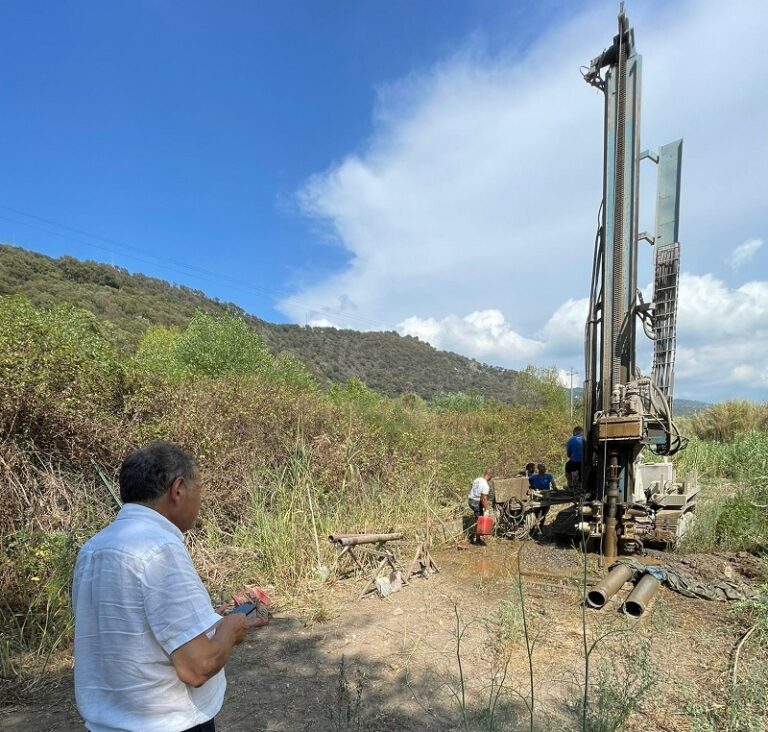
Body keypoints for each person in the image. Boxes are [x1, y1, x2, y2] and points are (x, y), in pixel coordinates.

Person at [72, 442, 264, 732]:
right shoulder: (160, 549)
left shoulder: (92, 549)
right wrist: (230, 628)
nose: (200, 501)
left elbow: (131, 625)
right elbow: (197, 666)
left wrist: (204, 618)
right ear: (178, 489)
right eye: (198, 488)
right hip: (169, 723)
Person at [467, 468, 494, 545]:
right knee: (479, 520)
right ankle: (477, 539)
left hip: (470, 499)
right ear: (490, 475)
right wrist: (487, 509)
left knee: (478, 518)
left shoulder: (477, 479)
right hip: (476, 502)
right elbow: (484, 498)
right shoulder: (485, 485)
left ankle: (476, 536)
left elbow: (472, 488)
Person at [528, 463, 557, 528]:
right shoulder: (533, 477)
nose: (543, 469)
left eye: (544, 468)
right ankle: (534, 527)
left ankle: (540, 528)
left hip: (546, 497)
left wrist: (555, 489)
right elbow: (528, 483)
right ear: (538, 469)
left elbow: (554, 485)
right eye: (541, 468)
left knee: (543, 514)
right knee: (536, 514)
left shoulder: (549, 476)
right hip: (536, 498)